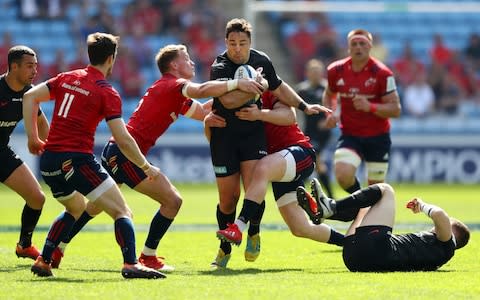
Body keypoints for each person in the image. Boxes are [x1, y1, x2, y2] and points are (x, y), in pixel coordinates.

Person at [48, 44, 264, 271]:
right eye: (186, 58)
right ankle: (147, 256)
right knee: (172, 201)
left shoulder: (173, 92)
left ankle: (58, 246)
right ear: (174, 65)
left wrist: (240, 94)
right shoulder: (174, 84)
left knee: (93, 206)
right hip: (126, 154)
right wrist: (238, 83)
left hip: (118, 152)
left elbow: (204, 111)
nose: (191, 62)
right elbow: (201, 91)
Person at [23, 32, 164, 279]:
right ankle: (131, 264)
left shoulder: (67, 77)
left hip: (49, 161)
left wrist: (33, 138)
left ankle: (44, 260)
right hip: (76, 159)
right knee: (123, 211)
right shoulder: (106, 91)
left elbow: (29, 96)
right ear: (111, 59)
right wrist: (145, 166)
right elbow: (123, 138)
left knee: (75, 208)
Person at [209, 18, 328, 268]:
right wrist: (256, 88)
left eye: (242, 43)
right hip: (225, 137)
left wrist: (304, 106)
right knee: (228, 199)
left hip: (253, 135)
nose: (237, 48)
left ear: (250, 43)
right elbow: (228, 102)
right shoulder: (219, 66)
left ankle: (252, 229)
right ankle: (224, 248)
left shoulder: (261, 61)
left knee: (255, 183)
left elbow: (279, 87)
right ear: (225, 43)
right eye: (232, 43)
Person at [213, 91, 343, 252]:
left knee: (263, 167)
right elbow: (210, 107)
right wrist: (206, 118)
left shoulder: (271, 90)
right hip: (280, 166)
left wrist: (259, 114)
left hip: (299, 152)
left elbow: (289, 115)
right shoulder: (233, 96)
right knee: (300, 228)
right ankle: (349, 242)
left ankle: (239, 226)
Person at [296, 182, 470, 272]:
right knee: (366, 205)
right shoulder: (437, 252)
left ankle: (330, 208)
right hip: (353, 258)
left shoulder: (448, 244)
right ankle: (325, 211)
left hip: (376, 250)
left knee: (386, 190)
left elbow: (440, 215)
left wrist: (422, 205)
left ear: (454, 233)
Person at [322, 29, 401, 223]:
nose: (358, 47)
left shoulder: (382, 73)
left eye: (362, 44)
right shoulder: (335, 70)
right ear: (348, 47)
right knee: (342, 174)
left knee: (376, 189)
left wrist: (370, 106)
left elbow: (396, 109)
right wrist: (330, 112)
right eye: (354, 44)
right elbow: (329, 94)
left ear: (370, 47)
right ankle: (359, 203)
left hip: (378, 137)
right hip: (350, 134)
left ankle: (368, 225)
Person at [0, 45, 49, 261]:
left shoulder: (30, 94)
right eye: (29, 66)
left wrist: (52, 148)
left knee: (37, 198)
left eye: (35, 66)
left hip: (2, 152)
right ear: (13, 66)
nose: (34, 71)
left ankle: (24, 245)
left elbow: (40, 120)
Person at [296, 58, 334, 198]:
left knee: (314, 160)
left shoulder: (327, 89)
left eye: (318, 72)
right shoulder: (302, 90)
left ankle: (298, 192)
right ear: (307, 73)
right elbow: (295, 108)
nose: (316, 74)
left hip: (323, 133)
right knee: (316, 163)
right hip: (308, 132)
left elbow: (335, 108)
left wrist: (328, 120)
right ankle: (329, 196)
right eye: (313, 71)